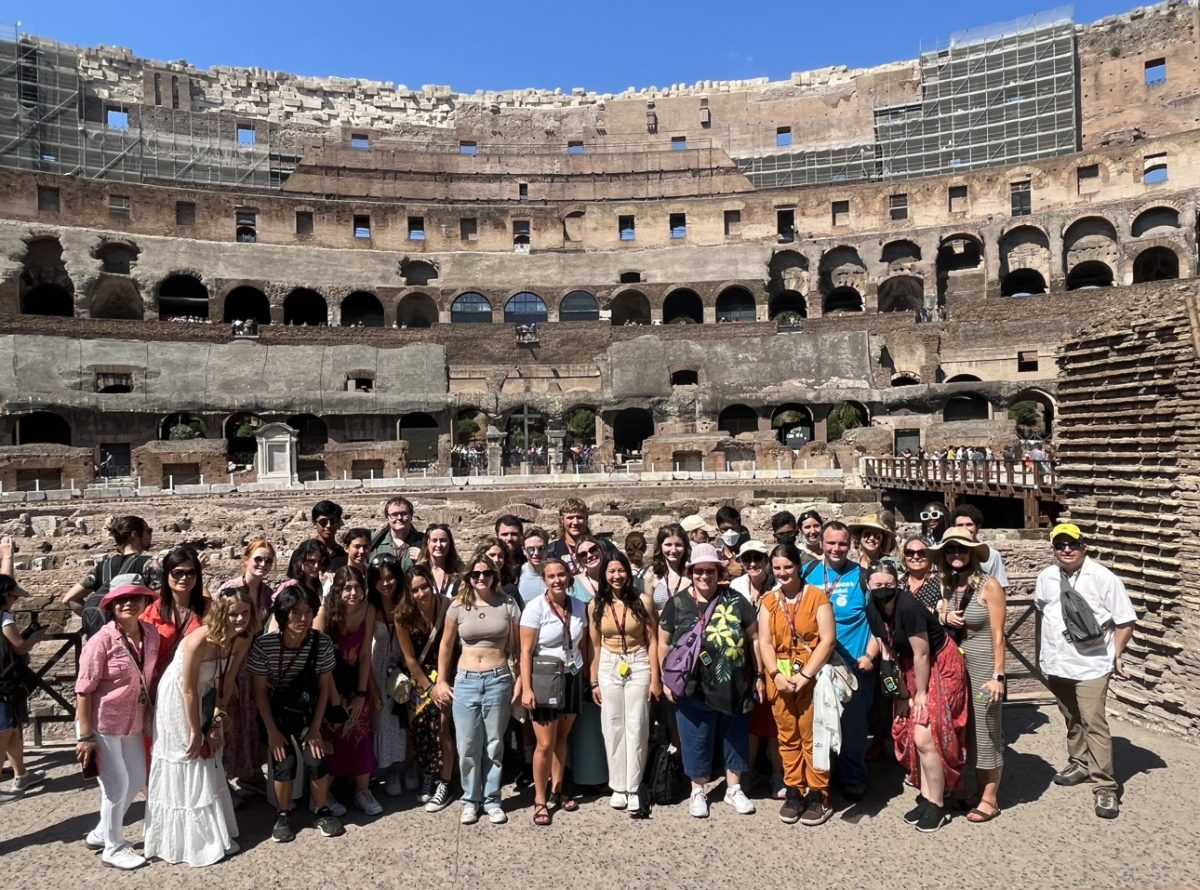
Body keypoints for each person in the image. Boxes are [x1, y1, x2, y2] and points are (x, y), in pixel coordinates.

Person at [143, 585, 259, 867]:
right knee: (190, 756)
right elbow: (187, 691)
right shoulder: (199, 641)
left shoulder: (242, 639)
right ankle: (185, 841)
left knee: (211, 756)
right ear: (222, 613)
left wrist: (217, 722)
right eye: (233, 614)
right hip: (178, 698)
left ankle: (212, 834)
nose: (240, 619)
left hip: (208, 692)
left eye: (245, 613)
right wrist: (196, 730)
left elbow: (227, 682)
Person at [1035, 523, 1136, 819]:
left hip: (1092, 664)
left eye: (1073, 544)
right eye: (1060, 544)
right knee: (1071, 716)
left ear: (1085, 546)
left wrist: (1117, 654)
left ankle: (1105, 785)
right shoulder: (1046, 577)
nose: (1067, 549)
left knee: (1093, 721)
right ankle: (1080, 762)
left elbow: (1125, 620)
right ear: (1053, 548)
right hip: (1057, 662)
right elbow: (1044, 611)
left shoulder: (1104, 578)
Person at [658, 543, 759, 819]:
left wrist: (759, 676)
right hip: (692, 685)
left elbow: (755, 638)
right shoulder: (677, 603)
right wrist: (665, 679)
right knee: (695, 736)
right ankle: (698, 790)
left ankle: (733, 788)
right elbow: (663, 642)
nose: (704, 576)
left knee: (734, 734)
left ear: (719, 572)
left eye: (710, 571)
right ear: (691, 572)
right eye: (699, 571)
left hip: (733, 682)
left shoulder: (736, 600)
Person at [867, 563, 969, 833]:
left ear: (897, 584)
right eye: (877, 585)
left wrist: (921, 694)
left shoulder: (908, 607)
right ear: (868, 586)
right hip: (910, 667)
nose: (883, 590)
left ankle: (938, 803)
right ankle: (927, 795)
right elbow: (888, 649)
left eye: (888, 584)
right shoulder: (872, 608)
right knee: (914, 732)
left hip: (939, 665)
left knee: (926, 732)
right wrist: (899, 692)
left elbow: (923, 654)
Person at [74, 583, 161, 869]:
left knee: (136, 779)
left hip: (133, 720)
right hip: (104, 723)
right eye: (121, 600)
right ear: (111, 605)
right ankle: (114, 846)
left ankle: (101, 832)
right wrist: (84, 735)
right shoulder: (101, 640)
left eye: (135, 598)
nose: (129, 604)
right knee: (116, 784)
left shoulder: (151, 634)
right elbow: (84, 689)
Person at [248, 585, 344, 842]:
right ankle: (283, 814)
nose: (302, 619)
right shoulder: (264, 645)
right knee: (284, 762)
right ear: (282, 615)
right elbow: (259, 693)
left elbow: (324, 688)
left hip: (305, 709)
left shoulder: (320, 643)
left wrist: (315, 729)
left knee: (316, 758)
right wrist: (272, 732)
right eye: (295, 613)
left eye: (307, 612)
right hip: (275, 711)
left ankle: (321, 810)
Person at [432, 552, 521, 825]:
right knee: (468, 744)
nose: (481, 578)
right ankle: (471, 799)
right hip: (467, 679)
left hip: (498, 678)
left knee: (494, 743)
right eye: (475, 574)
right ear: (468, 577)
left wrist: (518, 678)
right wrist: (441, 680)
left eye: (486, 573)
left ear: (495, 576)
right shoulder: (458, 606)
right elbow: (446, 645)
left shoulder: (507, 604)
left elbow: (517, 647)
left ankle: (492, 798)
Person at [757, 543, 837, 825]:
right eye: (777, 568)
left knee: (813, 734)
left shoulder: (817, 597)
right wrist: (775, 675)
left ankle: (818, 792)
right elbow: (764, 641)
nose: (782, 573)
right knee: (787, 735)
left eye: (787, 567)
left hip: (810, 673)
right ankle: (794, 789)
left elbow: (827, 638)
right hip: (779, 673)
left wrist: (805, 675)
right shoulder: (769, 601)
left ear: (798, 567)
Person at [931, 528, 1007, 823]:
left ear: (972, 554)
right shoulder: (950, 585)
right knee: (970, 731)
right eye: (951, 551)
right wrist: (943, 616)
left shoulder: (989, 586)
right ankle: (978, 791)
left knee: (987, 729)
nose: (956, 555)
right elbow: (946, 620)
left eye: (962, 550)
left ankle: (991, 799)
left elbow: (1000, 635)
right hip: (959, 666)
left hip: (985, 666)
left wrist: (998, 676)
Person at [806, 521, 875, 801]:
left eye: (842, 543)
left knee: (854, 727)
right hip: (818, 664)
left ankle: (853, 776)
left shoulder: (862, 576)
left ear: (850, 545)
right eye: (831, 543)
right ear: (821, 543)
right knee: (817, 723)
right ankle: (821, 777)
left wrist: (870, 655)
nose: (836, 548)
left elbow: (877, 624)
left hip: (854, 666)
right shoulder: (807, 572)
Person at [589, 551, 660, 814]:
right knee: (612, 725)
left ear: (628, 573)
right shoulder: (596, 604)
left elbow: (652, 640)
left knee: (637, 725)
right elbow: (595, 645)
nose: (617, 576)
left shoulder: (643, 601)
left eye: (621, 571)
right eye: (611, 572)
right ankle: (617, 785)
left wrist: (655, 677)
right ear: (604, 575)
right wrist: (594, 680)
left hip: (637, 661)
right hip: (609, 663)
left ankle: (633, 785)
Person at [521, 557, 590, 824]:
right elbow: (526, 652)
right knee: (545, 743)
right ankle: (540, 799)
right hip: (545, 679)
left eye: (561, 575)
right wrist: (526, 688)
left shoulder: (580, 606)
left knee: (562, 738)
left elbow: (584, 644)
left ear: (569, 577)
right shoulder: (535, 608)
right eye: (551, 577)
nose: (557, 580)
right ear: (544, 580)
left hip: (572, 675)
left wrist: (588, 678)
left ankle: (557, 789)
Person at [314, 566, 380, 816]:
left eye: (358, 588)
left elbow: (364, 655)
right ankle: (323, 794)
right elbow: (321, 662)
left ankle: (362, 790)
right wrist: (333, 701)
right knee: (332, 738)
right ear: (338, 590)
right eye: (347, 588)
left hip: (354, 681)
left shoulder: (368, 610)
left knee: (361, 731)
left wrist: (362, 695)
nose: (353, 593)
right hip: (328, 683)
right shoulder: (324, 615)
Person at [395, 564, 454, 810]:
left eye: (424, 587)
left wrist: (442, 683)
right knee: (420, 728)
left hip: (448, 673)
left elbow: (452, 647)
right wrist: (428, 687)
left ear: (432, 583)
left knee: (442, 726)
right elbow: (409, 658)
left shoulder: (449, 606)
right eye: (415, 590)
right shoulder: (402, 616)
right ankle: (428, 773)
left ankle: (445, 781)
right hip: (420, 677)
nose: (422, 594)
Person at [220, 540, 276, 799]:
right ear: (246, 559)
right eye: (258, 559)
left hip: (254, 666)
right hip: (230, 663)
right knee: (229, 721)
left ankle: (250, 772)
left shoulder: (266, 593)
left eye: (268, 560)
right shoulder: (231, 589)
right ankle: (222, 781)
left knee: (250, 721)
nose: (263, 565)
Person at [730, 539, 784, 799]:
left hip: (773, 659)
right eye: (747, 559)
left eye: (758, 559)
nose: (753, 564)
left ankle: (778, 775)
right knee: (748, 722)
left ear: (766, 561)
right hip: (744, 662)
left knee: (773, 722)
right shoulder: (736, 586)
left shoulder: (778, 585)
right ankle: (748, 773)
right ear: (741, 562)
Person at [62, 515, 159, 635]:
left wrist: (100, 617)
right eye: (148, 531)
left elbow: (69, 599)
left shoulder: (102, 567)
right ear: (134, 535)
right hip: (137, 638)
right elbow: (162, 603)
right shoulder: (150, 564)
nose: (150, 535)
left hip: (107, 637)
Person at [1, 571, 47, 797]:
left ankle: (21, 775)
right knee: (6, 731)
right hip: (6, 685)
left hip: (4, 684)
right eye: (13, 596)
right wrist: (34, 638)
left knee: (14, 732)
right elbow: (19, 647)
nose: (15, 600)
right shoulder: (4, 618)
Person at [366, 553, 406, 797]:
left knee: (402, 719)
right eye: (380, 579)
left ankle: (402, 767)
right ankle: (386, 768)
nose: (386, 583)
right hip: (378, 669)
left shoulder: (404, 602)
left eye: (390, 577)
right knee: (382, 719)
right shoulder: (371, 607)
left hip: (402, 667)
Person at [142, 547, 207, 690]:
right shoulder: (152, 611)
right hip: (159, 687)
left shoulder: (209, 609)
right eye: (177, 573)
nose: (184, 578)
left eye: (191, 573)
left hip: (198, 685)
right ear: (167, 575)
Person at [547, 497, 613, 573]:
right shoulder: (553, 550)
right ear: (562, 520)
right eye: (570, 518)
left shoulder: (604, 546)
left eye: (579, 517)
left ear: (586, 519)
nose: (575, 522)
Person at [952, 504, 1010, 590]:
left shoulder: (992, 555)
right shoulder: (948, 554)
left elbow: (1000, 589)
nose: (964, 529)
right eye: (960, 525)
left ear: (978, 526)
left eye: (969, 524)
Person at [644, 523, 691, 613]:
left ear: (685, 547)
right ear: (660, 546)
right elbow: (649, 612)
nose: (673, 550)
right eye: (668, 545)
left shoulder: (692, 573)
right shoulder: (652, 574)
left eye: (678, 545)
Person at [368, 496, 425, 569]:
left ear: (411, 516)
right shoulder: (374, 542)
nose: (399, 518)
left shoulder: (425, 542)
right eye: (394, 514)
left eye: (404, 514)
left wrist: (424, 559)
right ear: (387, 517)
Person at [416, 523, 464, 599]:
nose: (438, 545)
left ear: (450, 544)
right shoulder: (418, 572)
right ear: (427, 543)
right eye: (434, 540)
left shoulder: (460, 572)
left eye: (443, 540)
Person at [900, 534, 942, 613]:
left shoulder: (941, 582)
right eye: (910, 552)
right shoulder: (898, 581)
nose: (916, 556)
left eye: (922, 552)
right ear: (904, 556)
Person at [286, 539, 328, 613]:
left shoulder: (320, 585)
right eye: (311, 561)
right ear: (301, 560)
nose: (316, 566)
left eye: (320, 561)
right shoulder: (292, 585)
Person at [310, 501, 346, 569]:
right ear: (314, 524)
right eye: (323, 522)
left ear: (338, 523)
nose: (328, 525)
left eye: (333, 521)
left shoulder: (345, 555)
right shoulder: (303, 554)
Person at [715, 505, 748, 578]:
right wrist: (726, 571)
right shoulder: (715, 556)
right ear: (718, 530)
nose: (730, 533)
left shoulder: (748, 554)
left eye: (734, 529)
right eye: (725, 529)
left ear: (740, 529)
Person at [518, 527, 550, 604]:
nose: (536, 553)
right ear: (524, 551)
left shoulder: (555, 573)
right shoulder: (517, 574)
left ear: (547, 549)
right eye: (530, 549)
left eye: (541, 548)